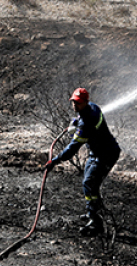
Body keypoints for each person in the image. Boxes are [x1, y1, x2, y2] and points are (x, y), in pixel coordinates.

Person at [44, 87, 121, 236]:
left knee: (89, 183)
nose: (75, 105)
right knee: (90, 182)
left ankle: (96, 222)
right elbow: (83, 118)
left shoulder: (87, 123)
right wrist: (76, 121)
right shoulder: (92, 107)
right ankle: (94, 211)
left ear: (85, 102)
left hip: (107, 154)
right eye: (73, 102)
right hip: (96, 152)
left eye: (78, 103)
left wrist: (55, 161)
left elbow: (73, 148)